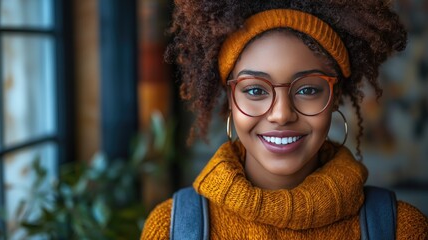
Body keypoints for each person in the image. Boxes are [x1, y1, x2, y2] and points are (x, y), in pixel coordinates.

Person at [141, 0, 428, 239]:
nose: (281, 114)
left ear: (334, 95)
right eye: (254, 90)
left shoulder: (400, 228)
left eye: (307, 89)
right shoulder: (170, 228)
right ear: (231, 100)